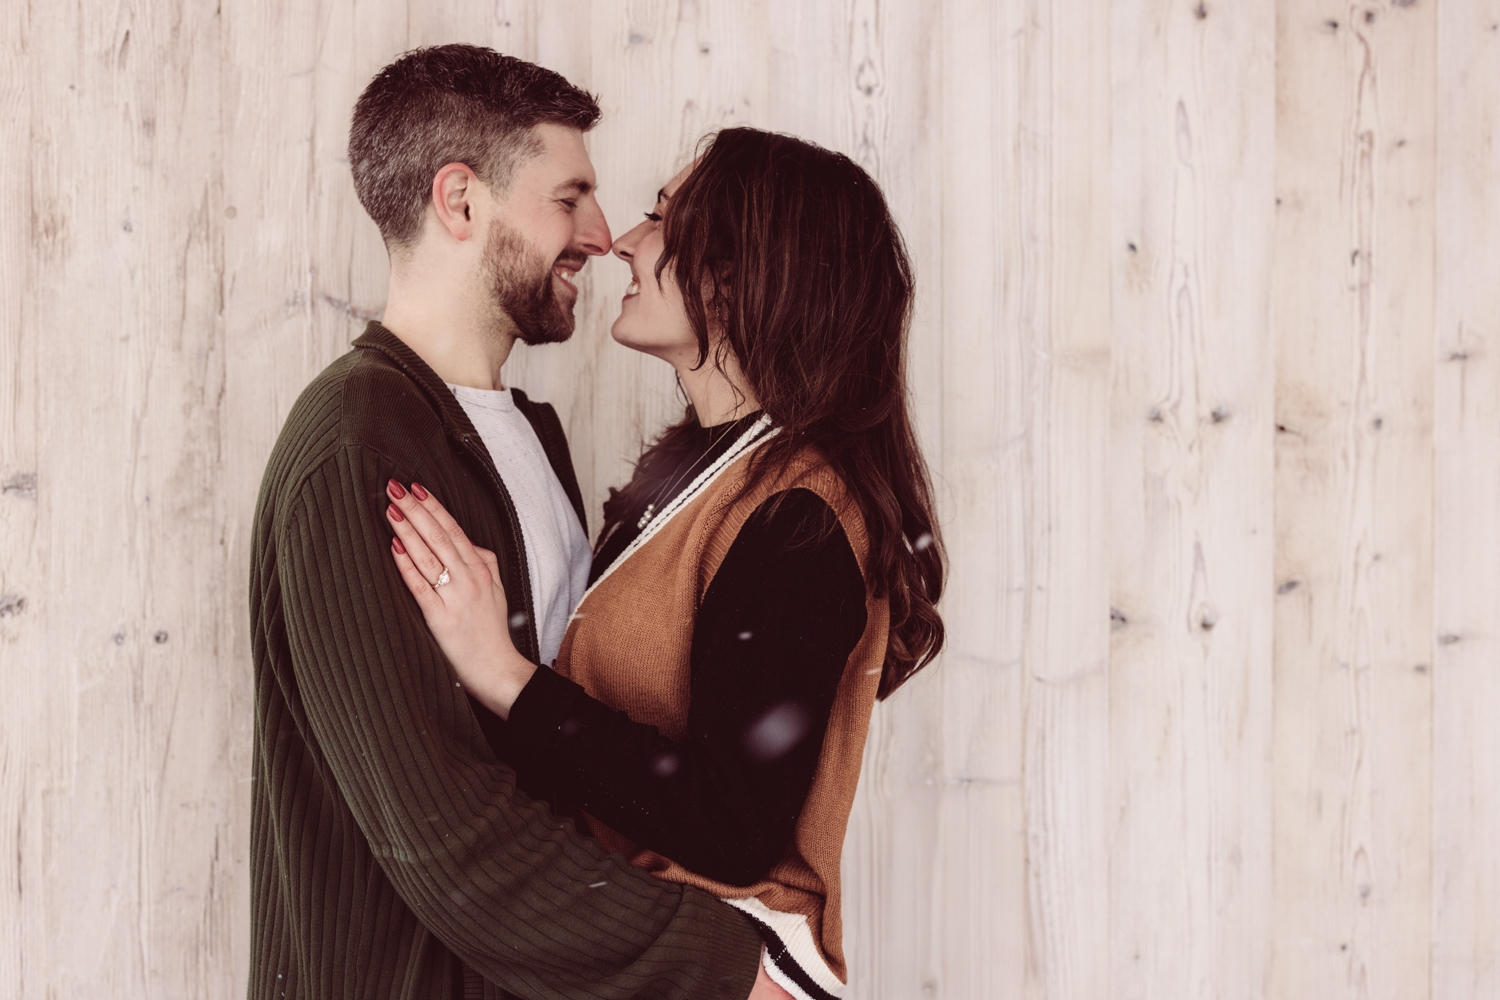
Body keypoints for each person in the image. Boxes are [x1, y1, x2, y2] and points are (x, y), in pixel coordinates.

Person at [249, 45, 789, 1000]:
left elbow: (559, 759)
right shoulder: (358, 443)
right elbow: (443, 833)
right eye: (569, 196)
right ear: (461, 202)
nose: (602, 235)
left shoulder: (528, 436)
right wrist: (722, 969)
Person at [381, 127, 947, 1000]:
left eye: (664, 218)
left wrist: (505, 677)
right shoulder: (705, 476)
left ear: (744, 271)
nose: (624, 241)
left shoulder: (800, 513)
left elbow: (732, 824)